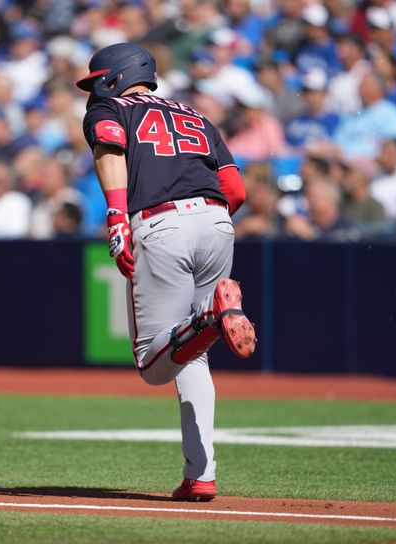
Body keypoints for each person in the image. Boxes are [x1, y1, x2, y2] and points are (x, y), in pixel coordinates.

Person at [77, 43, 255, 502]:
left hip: (160, 221)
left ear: (115, 76)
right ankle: (202, 474)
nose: (93, 89)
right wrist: (208, 216)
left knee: (152, 365)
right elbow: (235, 187)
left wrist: (117, 216)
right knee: (191, 355)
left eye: (96, 79)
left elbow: (110, 145)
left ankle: (212, 319)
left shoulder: (108, 107)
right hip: (218, 221)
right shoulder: (195, 115)